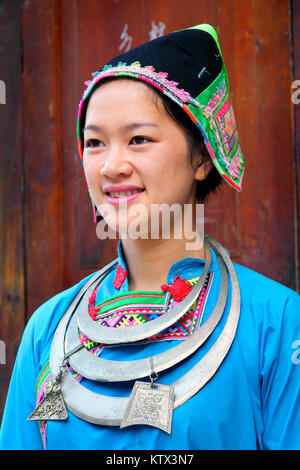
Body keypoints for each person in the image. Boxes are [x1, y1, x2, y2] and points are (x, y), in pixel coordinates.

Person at [1, 23, 300, 451]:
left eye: (139, 139)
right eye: (95, 143)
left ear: (202, 155)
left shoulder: (276, 323)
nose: (111, 166)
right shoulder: (47, 331)